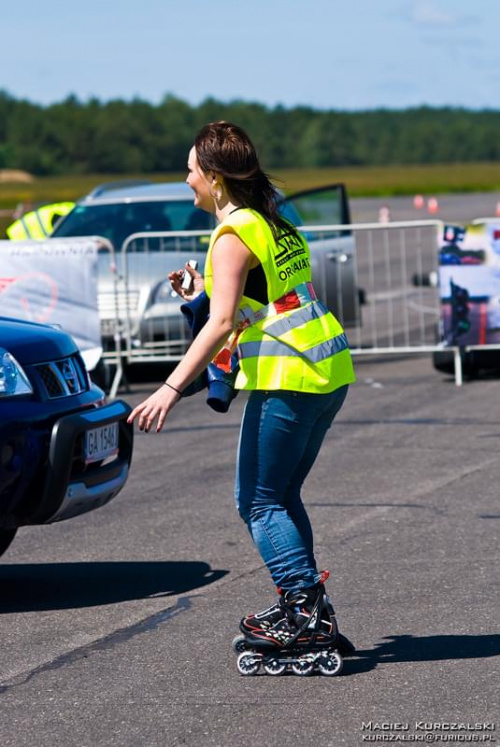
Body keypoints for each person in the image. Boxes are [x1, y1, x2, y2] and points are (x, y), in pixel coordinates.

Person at [128, 121, 356, 665]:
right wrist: (201, 290)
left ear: (213, 177)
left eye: (189, 171)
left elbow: (223, 321)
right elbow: (265, 295)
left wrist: (170, 387)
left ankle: (304, 611)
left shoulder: (232, 234)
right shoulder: (273, 222)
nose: (186, 181)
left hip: (290, 376)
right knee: (280, 496)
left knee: (256, 501)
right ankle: (306, 607)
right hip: (327, 369)